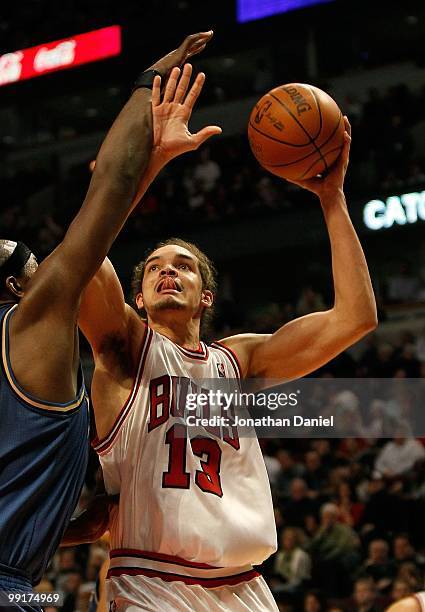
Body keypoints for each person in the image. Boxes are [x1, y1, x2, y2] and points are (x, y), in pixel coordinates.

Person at [76, 116, 377, 610]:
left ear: (206, 297)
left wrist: (331, 198)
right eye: (154, 267)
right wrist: (139, 172)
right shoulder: (125, 349)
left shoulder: (239, 360)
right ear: (140, 298)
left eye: (183, 265)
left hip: (244, 586)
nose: (167, 270)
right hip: (150, 580)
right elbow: (83, 258)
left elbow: (356, 318)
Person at [0, 31, 218, 610]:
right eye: (31, 269)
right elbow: (107, 193)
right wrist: (146, 87)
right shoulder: (32, 326)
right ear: (19, 288)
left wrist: (69, 529)